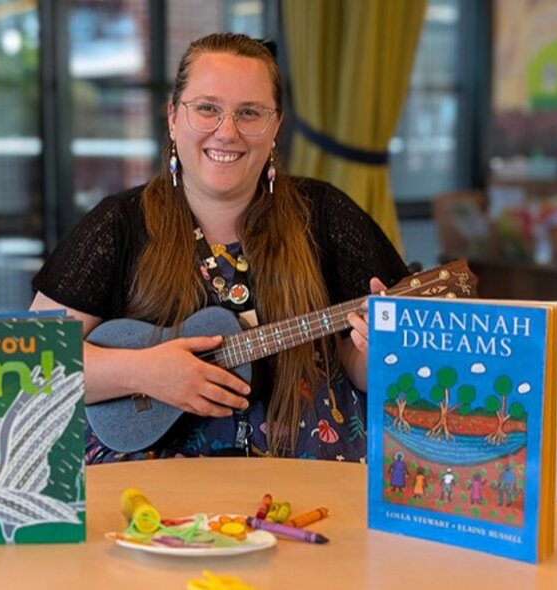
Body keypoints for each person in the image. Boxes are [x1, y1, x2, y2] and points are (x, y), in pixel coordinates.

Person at [30, 32, 408, 463]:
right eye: (207, 109)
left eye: (250, 113)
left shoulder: (324, 215)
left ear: (276, 125)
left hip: (310, 484)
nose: (226, 132)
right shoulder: (117, 225)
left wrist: (376, 356)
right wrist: (142, 372)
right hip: (157, 503)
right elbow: (35, 367)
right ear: (173, 117)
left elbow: (359, 368)